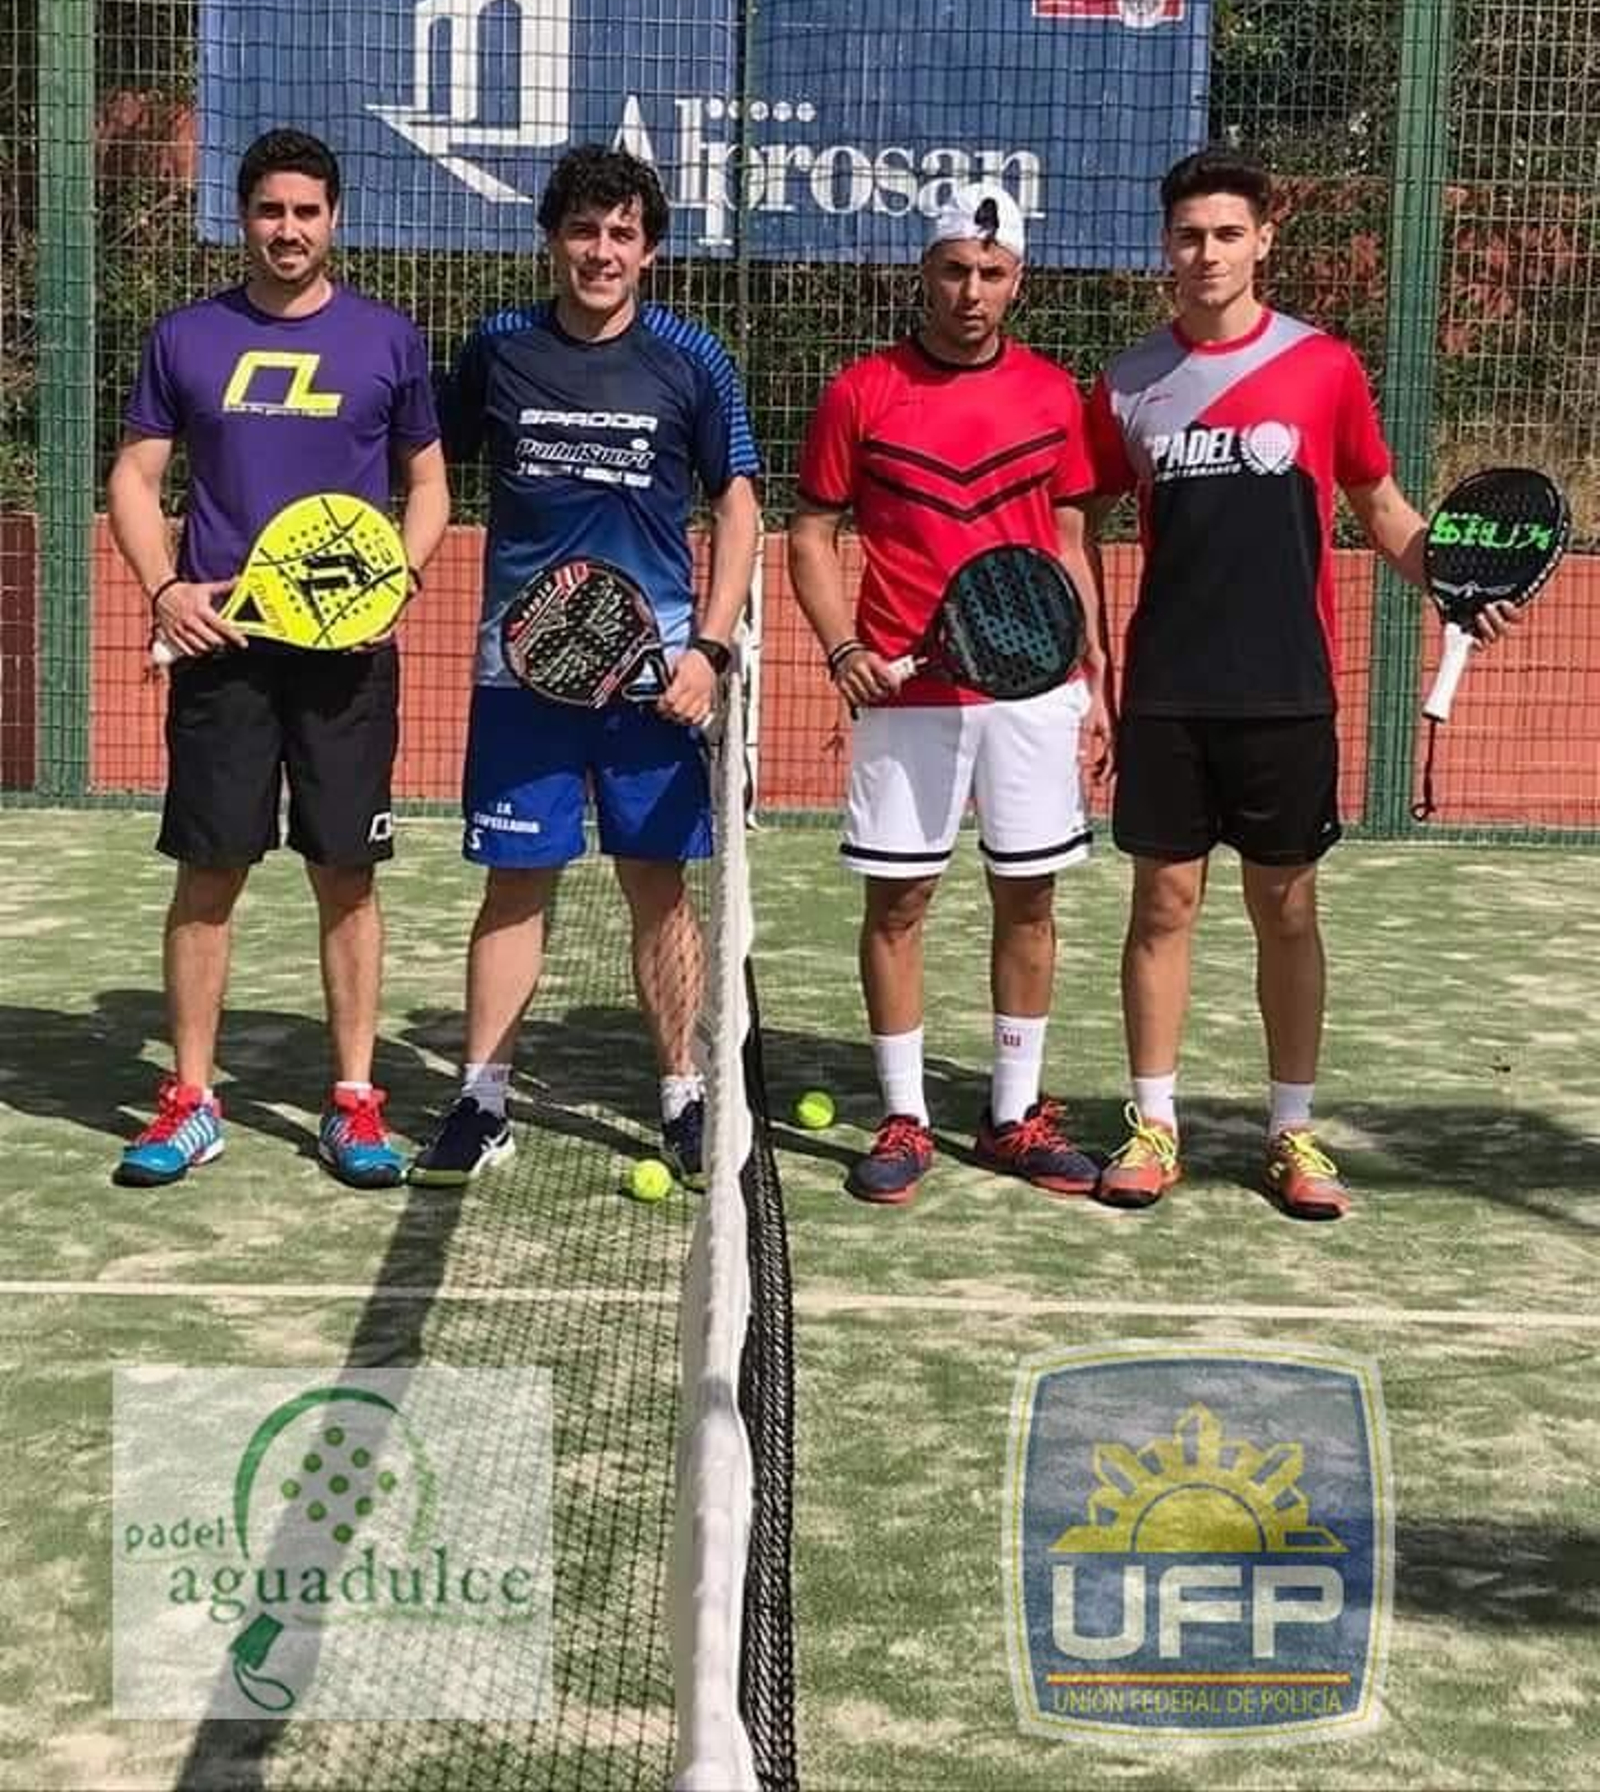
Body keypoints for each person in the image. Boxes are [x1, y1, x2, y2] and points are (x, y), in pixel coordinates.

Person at [1086, 147, 1519, 1219]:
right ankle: (1154, 1123)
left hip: (1286, 687)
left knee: (1286, 906)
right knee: (1162, 902)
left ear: (1264, 240)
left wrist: (1454, 582)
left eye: (1228, 234)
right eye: (1190, 235)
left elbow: (1381, 505)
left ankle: (1291, 1130)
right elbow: (1072, 519)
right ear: (1166, 246)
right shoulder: (1128, 382)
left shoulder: (1324, 367)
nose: (1208, 253)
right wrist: (1089, 661)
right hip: (1169, 689)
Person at [411, 145, 761, 1190]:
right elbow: (425, 464)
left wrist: (708, 648)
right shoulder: (498, 348)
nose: (601, 251)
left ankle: (683, 1096)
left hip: (654, 684)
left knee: (657, 884)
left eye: (621, 233)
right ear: (551, 239)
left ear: (648, 251)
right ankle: (481, 1101)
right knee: (514, 883)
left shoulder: (692, 359)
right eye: (582, 230)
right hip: (520, 679)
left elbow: (738, 506)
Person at [106, 127, 449, 1190]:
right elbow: (134, 478)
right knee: (209, 873)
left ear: (334, 219)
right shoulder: (186, 337)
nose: (287, 230)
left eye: (306, 211)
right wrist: (166, 591)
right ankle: (190, 1100)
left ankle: (354, 1101)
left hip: (345, 656)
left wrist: (397, 580)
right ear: (242, 216)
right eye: (269, 210)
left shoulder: (388, 339)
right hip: (226, 650)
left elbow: (429, 484)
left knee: (346, 874)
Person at [787, 183, 1112, 1204]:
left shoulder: (1054, 395)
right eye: (954, 271)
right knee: (899, 901)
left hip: (1031, 692)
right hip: (907, 693)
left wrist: (1096, 672)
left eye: (991, 273)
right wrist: (842, 646)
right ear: (924, 273)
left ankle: (1012, 1115)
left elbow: (1069, 543)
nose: (972, 292)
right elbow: (811, 534)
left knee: (1029, 896)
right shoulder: (861, 391)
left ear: (1019, 280)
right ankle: (904, 1115)